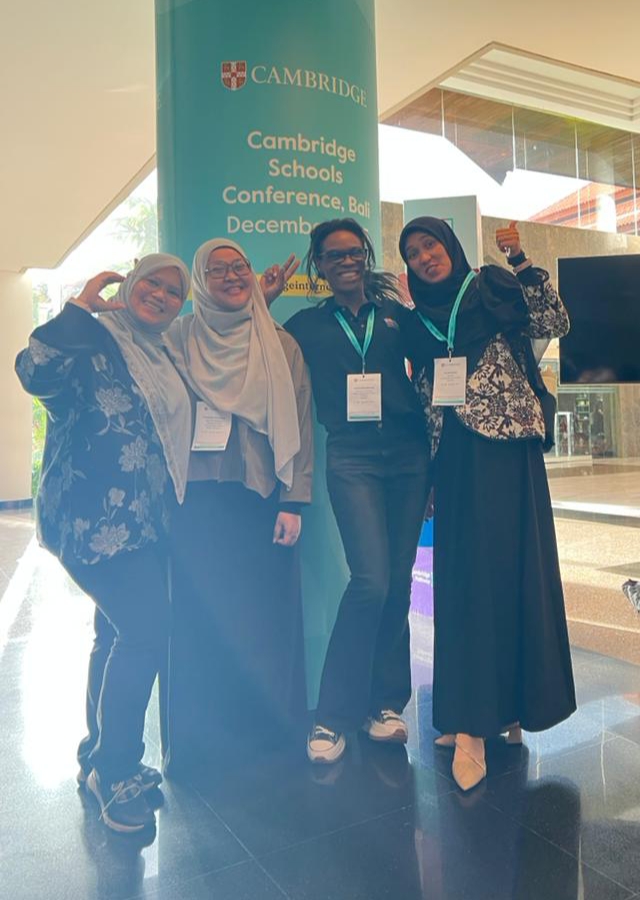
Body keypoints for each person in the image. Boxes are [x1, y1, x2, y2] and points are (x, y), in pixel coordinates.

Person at [398, 217, 576, 791]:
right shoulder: (419, 318)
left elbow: (553, 322)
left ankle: (506, 708)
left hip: (506, 449)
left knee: (512, 573)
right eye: (413, 252)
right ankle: (471, 718)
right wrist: (428, 472)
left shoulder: (490, 286)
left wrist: (522, 262)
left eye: (431, 245)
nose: (425, 257)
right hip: (452, 456)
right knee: (464, 584)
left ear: (449, 245)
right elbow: (425, 392)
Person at [15, 255, 192, 831]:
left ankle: (96, 757)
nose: (160, 295)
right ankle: (116, 771)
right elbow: (34, 372)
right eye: (152, 283)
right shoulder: (93, 340)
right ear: (131, 284)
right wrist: (78, 310)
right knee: (147, 631)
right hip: (90, 520)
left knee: (115, 634)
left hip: (146, 522)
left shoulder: (161, 353)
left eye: (173, 291)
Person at [277, 218, 430, 764]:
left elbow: (439, 351)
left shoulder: (394, 317)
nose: (346, 261)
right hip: (352, 458)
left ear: (365, 256)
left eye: (353, 252)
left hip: (409, 457)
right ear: (318, 265)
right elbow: (258, 352)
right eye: (333, 255)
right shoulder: (305, 325)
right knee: (370, 581)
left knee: (397, 584)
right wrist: (262, 299)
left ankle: (384, 705)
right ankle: (333, 715)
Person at [160, 238, 312, 773]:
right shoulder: (177, 341)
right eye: (217, 269)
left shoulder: (279, 344)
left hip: (262, 496)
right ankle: (202, 744)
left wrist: (294, 501)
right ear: (200, 283)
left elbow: (300, 423)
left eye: (239, 266)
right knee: (200, 619)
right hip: (195, 500)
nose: (231, 276)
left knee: (264, 619)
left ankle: (266, 738)